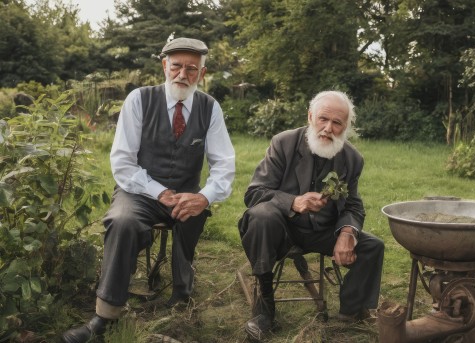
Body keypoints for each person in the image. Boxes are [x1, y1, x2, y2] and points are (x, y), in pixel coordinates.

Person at [62, 37, 235, 343]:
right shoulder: (139, 99)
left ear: (202, 74)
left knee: (192, 219)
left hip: (187, 197)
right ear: (164, 66)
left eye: (192, 69)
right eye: (177, 66)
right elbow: (123, 163)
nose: (183, 74)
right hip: (139, 192)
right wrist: (159, 192)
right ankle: (105, 316)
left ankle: (182, 295)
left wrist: (203, 197)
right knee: (123, 222)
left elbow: (224, 164)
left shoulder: (211, 108)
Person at [238, 90, 384, 341]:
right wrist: (294, 202)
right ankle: (264, 309)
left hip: (323, 232)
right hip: (283, 229)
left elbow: (353, 205)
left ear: (346, 127)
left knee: (373, 246)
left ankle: (351, 309)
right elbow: (254, 193)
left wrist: (347, 232)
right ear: (310, 117)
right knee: (261, 216)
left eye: (337, 123)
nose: (328, 128)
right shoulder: (283, 143)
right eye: (323, 119)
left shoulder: (352, 159)